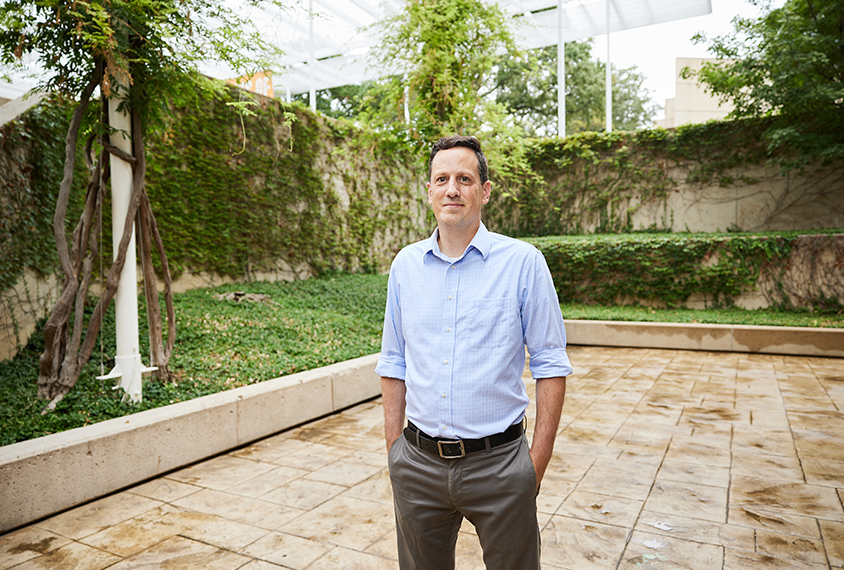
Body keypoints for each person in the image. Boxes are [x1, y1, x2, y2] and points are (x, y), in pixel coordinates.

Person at [375, 135, 573, 570]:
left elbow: (550, 364)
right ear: (428, 191)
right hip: (417, 465)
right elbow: (394, 361)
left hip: (500, 466)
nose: (452, 189)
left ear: (483, 191)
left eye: (464, 178)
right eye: (441, 179)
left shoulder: (523, 262)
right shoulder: (405, 266)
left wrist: (533, 466)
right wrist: (395, 452)